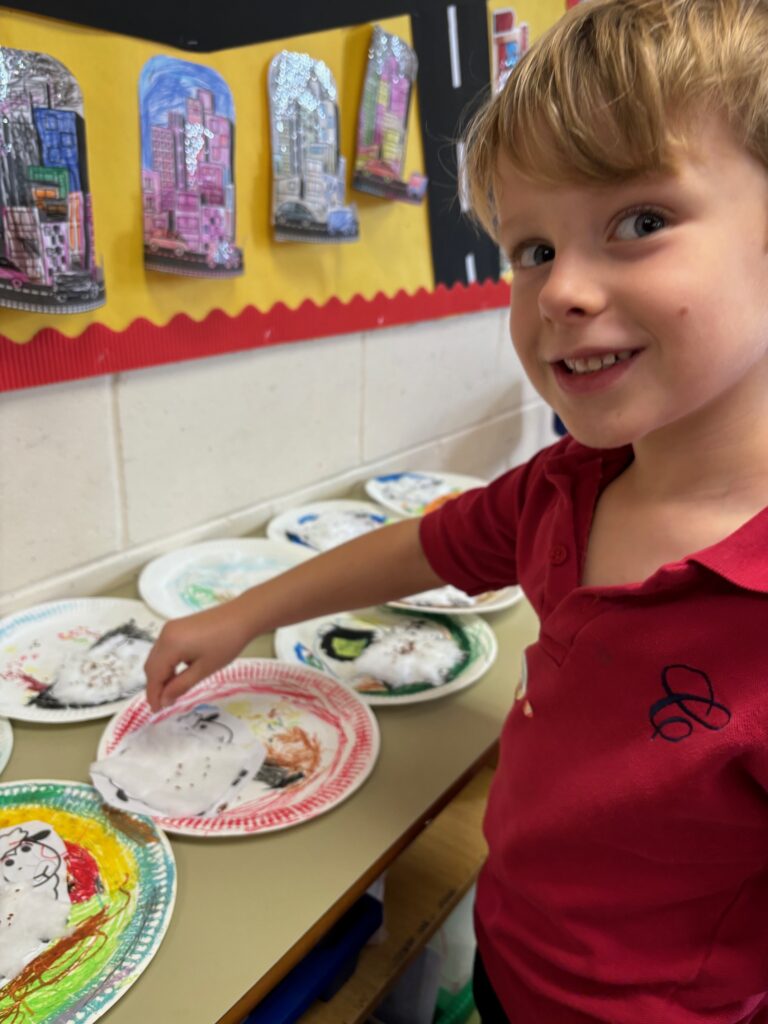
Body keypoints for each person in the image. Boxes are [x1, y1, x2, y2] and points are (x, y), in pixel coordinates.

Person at [144, 0, 768, 1019]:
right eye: (530, 249)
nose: (561, 288)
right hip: (509, 963)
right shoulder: (569, 485)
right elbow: (418, 548)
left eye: (640, 222)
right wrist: (243, 611)